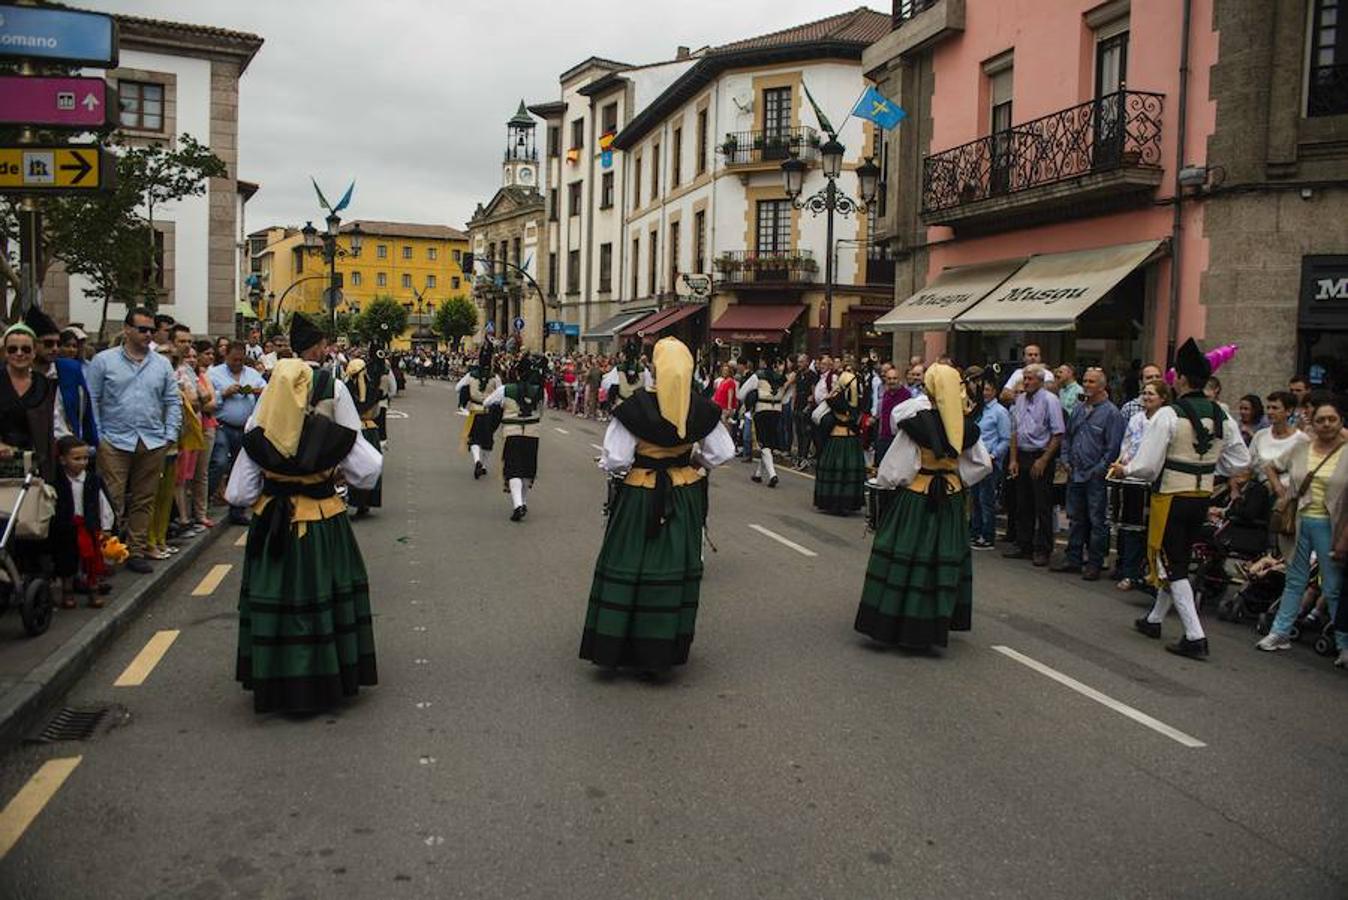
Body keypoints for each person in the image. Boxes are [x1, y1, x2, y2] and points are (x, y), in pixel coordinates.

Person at [225, 357, 382, 714]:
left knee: (277, 602)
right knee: (323, 598)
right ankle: (324, 679)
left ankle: (276, 682)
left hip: (272, 526)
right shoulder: (331, 434)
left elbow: (238, 495)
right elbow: (369, 472)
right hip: (323, 522)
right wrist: (332, 472)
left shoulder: (256, 431)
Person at [579, 337, 734, 673]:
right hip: (684, 490)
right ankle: (662, 645)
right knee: (674, 564)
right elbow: (721, 453)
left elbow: (618, 460)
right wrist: (692, 461)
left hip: (641, 491)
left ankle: (619, 642)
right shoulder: (701, 408)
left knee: (631, 558)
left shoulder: (635, 408)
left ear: (655, 367)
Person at [1110, 338, 1250, 660]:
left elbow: (1145, 467)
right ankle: (1154, 619)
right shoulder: (1222, 415)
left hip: (1171, 495)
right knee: (1178, 557)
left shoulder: (1167, 414)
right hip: (1200, 496)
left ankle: (1195, 635)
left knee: (1173, 562)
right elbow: (1240, 461)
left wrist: (1123, 470)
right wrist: (1211, 465)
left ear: (1182, 379)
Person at [854, 363, 992, 651]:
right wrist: (956, 478)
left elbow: (895, 470)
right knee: (942, 559)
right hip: (951, 500)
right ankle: (933, 626)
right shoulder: (965, 426)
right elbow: (982, 465)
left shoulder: (917, 424)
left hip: (917, 498)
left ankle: (899, 622)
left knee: (907, 555)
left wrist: (888, 482)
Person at [85, 308, 182, 574]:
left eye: (151, 330)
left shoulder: (161, 363)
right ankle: (106, 551)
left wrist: (169, 434)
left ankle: (136, 550)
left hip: (151, 440)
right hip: (114, 440)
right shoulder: (104, 361)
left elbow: (172, 401)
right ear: (127, 329)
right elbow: (92, 399)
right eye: (142, 329)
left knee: (144, 498)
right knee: (111, 498)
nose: (148, 334)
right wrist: (99, 435)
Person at [1254, 397, 1347, 666]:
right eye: (1320, 420)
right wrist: (1282, 492)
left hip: (1332, 525)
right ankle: (1279, 632)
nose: (1326, 424)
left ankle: (1343, 644)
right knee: (1295, 580)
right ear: (1312, 422)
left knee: (1332, 587)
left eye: (1332, 419)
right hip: (1298, 523)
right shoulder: (1301, 448)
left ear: (1341, 421)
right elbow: (1269, 465)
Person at [0, 323, 61, 575]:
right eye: (13, 348)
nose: (19, 354)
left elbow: (57, 422)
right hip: (3, 461)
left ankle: (38, 576)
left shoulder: (45, 385)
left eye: (25, 348)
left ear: (34, 352)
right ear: (5, 352)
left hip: (36, 461)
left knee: (40, 519)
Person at [1054, 367, 1124, 580]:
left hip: (1095, 477)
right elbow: (1068, 437)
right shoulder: (1078, 409)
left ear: (1102, 386)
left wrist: (1098, 470)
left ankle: (1094, 562)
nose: (1086, 385)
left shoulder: (1112, 413)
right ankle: (1073, 558)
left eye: (1092, 382)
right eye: (1085, 380)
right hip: (1075, 473)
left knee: (1096, 520)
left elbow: (1113, 448)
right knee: (1076, 518)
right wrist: (1065, 459)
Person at [1004, 364, 1065, 566]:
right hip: (1022, 454)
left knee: (1042, 505)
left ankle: (1043, 548)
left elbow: (1057, 434)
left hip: (1041, 454)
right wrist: (1013, 459)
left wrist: (1044, 460)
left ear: (1040, 381)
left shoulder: (1050, 400)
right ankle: (1024, 544)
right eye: (1025, 378)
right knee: (1022, 503)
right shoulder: (1019, 400)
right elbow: (1014, 431)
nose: (1027, 382)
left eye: (1031, 379)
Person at [1113, 379, 1171, 591]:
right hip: (1132, 479)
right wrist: (1122, 462)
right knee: (1131, 527)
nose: (1146, 397)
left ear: (1163, 398)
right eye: (1144, 393)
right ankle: (1129, 572)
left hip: (1153, 480)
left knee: (1150, 531)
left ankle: (1151, 572)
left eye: (1152, 394)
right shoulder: (1137, 418)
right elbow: (1127, 443)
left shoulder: (1165, 420)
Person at [51, 435, 115, 607]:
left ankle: (94, 591)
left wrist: (106, 527)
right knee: (67, 561)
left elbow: (103, 503)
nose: (82, 462)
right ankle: (67, 592)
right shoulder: (57, 482)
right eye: (76, 458)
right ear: (63, 460)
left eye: (85, 458)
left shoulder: (93, 480)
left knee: (92, 561)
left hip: (89, 526)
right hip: (65, 527)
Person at [208, 340, 267, 525]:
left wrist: (256, 391)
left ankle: (237, 509)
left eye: (241, 360)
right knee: (220, 462)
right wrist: (224, 394)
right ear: (226, 356)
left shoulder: (252, 374)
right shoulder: (214, 373)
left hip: (245, 428)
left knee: (239, 468)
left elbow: (267, 391)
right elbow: (208, 399)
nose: (237, 363)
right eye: (234, 360)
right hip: (222, 425)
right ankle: (206, 501)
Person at [484, 351, 546, 521]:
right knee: (527, 470)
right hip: (533, 434)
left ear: (517, 373)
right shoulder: (539, 391)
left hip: (512, 433)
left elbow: (487, 402)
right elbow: (542, 411)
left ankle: (518, 504)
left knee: (513, 469)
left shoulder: (506, 389)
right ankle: (523, 502)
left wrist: (502, 407)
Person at [812, 368, 866, 515]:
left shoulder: (837, 400)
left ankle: (838, 503)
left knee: (840, 470)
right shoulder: (839, 400)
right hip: (843, 438)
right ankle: (840, 503)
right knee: (843, 471)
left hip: (843, 438)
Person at [969, 377, 1009, 549]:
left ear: (995, 392)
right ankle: (975, 532)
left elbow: (1005, 438)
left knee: (987, 499)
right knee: (975, 498)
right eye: (983, 390)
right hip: (974, 459)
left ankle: (987, 535)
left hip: (989, 461)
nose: (984, 393)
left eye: (988, 390)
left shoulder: (1000, 412)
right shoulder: (979, 410)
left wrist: (994, 455)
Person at [343, 357, 384, 516]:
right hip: (369, 428)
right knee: (370, 463)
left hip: (353, 428)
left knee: (352, 464)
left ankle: (352, 498)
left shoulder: (346, 388)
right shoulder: (373, 388)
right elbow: (376, 411)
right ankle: (366, 501)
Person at [458, 345, 501, 479]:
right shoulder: (495, 377)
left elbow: (457, 387)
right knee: (487, 440)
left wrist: (467, 391)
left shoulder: (471, 375)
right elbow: (500, 394)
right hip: (490, 412)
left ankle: (476, 460)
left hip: (475, 411)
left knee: (474, 438)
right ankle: (483, 465)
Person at [746, 356, 787, 488]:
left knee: (764, 444)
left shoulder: (758, 376)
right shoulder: (782, 378)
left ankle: (772, 474)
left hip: (761, 410)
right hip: (776, 411)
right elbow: (785, 398)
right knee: (769, 443)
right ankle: (758, 474)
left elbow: (741, 394)